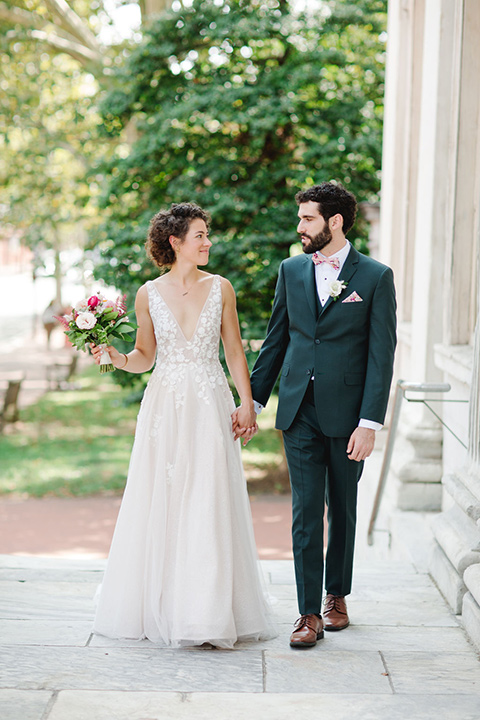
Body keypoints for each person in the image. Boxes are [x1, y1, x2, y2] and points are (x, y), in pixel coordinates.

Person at [91, 202, 276, 648]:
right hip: (165, 408)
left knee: (209, 499)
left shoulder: (222, 288)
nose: (208, 241)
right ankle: (169, 608)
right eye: (200, 235)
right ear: (175, 242)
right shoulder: (147, 294)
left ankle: (208, 614)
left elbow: (233, 351)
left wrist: (247, 403)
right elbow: (145, 356)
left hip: (211, 403)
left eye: (206, 234)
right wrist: (117, 359)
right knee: (166, 500)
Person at [246, 182, 396, 649]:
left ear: (334, 222)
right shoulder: (291, 270)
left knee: (343, 510)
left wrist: (370, 422)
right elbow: (276, 341)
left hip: (349, 415)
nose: (299, 227)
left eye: (307, 218)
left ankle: (337, 596)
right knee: (305, 512)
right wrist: (252, 402)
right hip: (298, 410)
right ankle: (308, 611)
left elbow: (381, 355)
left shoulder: (374, 276)